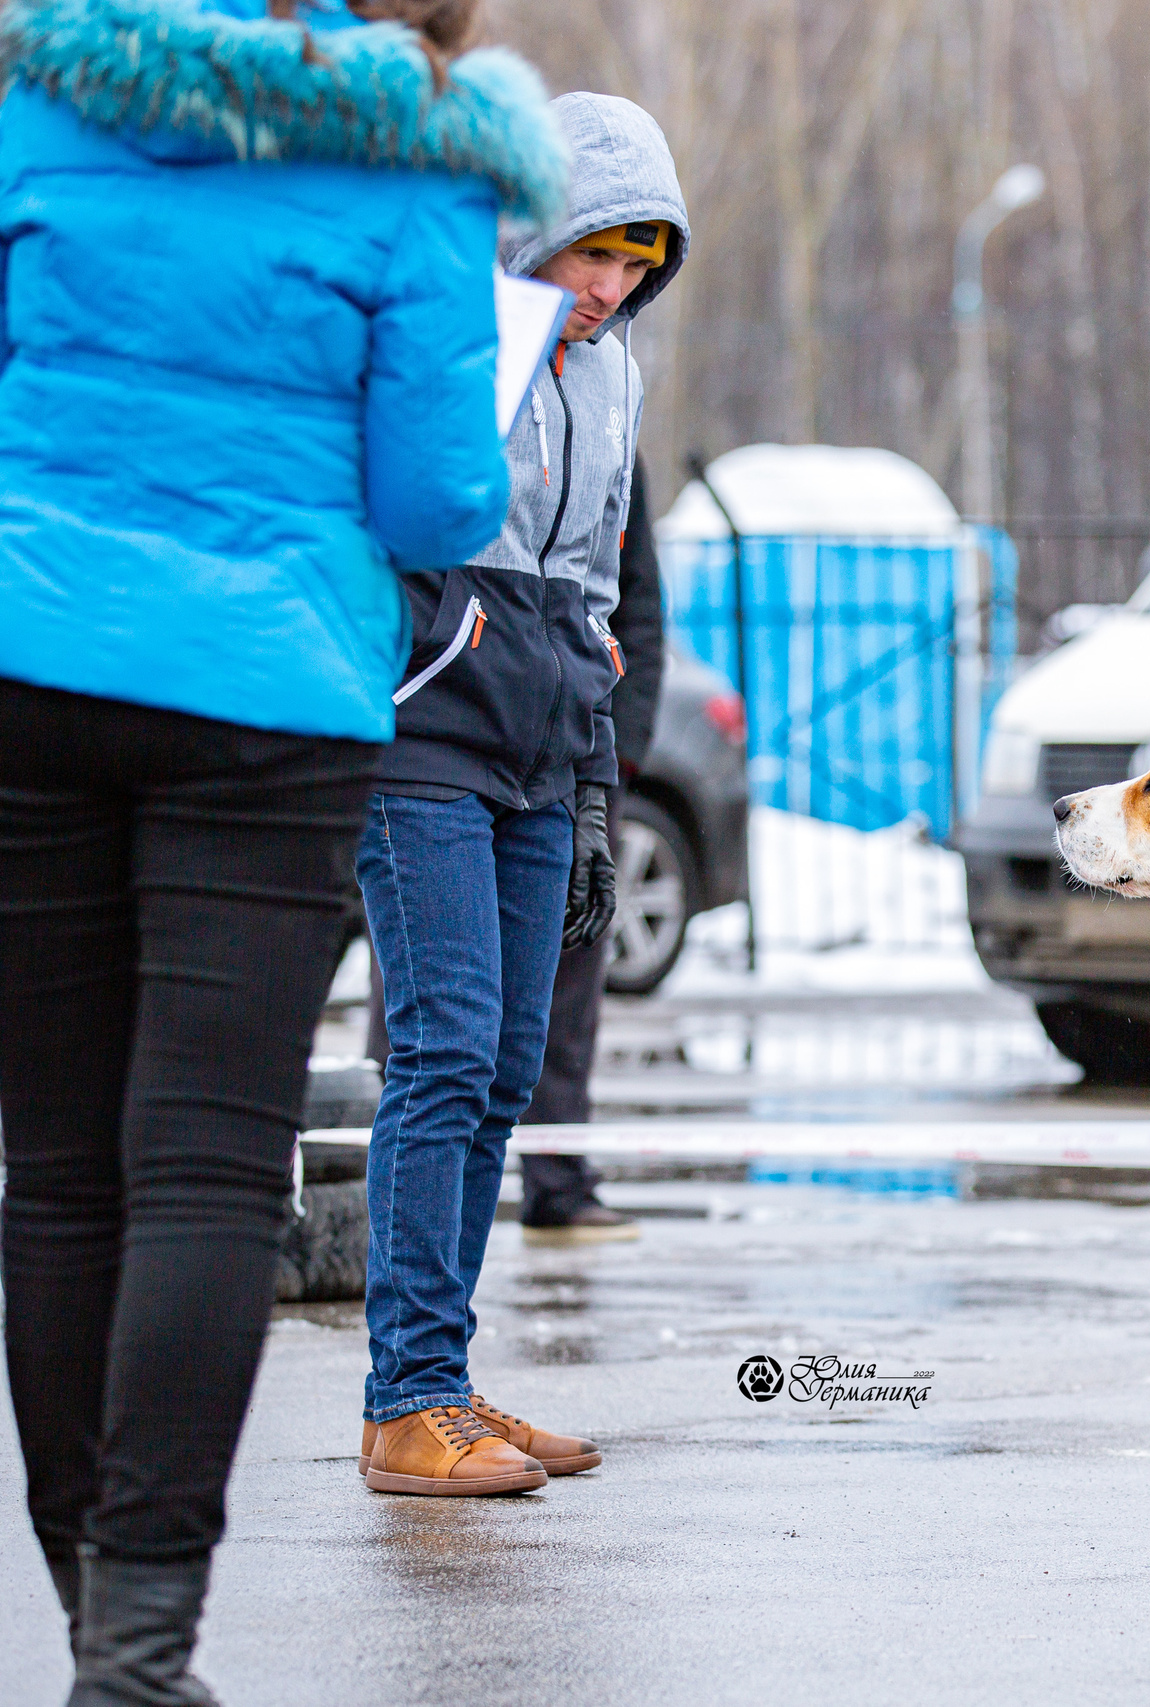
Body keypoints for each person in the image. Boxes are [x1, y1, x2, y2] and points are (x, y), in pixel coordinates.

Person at [0, 0, 555, 1696]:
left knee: (62, 1167)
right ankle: (145, 1651)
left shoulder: (43, 100)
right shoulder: (416, 160)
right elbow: (440, 496)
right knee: (202, 1169)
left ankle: (95, 1607)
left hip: (26, 657)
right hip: (265, 695)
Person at [354, 92, 687, 1497]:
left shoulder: (617, 369)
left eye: (637, 261)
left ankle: (448, 1372)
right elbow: (392, 502)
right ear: (536, 236)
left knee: (501, 1073)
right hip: (428, 731)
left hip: (549, 746)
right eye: (591, 255)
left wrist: (601, 786)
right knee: (442, 1049)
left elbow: (603, 591)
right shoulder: (456, 333)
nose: (609, 288)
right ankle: (403, 1399)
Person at [520, 456, 665, 1243]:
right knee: (429, 1005)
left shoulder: (612, 429)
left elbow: (635, 605)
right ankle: (381, 1195)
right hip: (461, 748)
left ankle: (559, 1180)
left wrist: (620, 754)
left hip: (577, 758)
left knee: (570, 988)